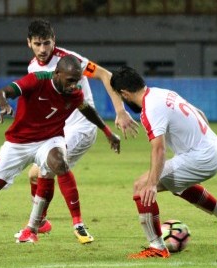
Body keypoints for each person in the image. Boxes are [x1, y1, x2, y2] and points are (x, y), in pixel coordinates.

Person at [0, 55, 121, 246]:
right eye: (70, 81)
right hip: (19, 142)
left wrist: (107, 131)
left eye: (77, 81)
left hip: (49, 139)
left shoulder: (74, 93)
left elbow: (87, 110)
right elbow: (1, 92)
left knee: (59, 163)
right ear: (57, 74)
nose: (73, 86)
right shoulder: (37, 80)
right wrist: (4, 105)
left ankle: (78, 224)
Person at [14, 19, 139, 240]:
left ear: (54, 41)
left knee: (44, 170)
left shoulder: (70, 60)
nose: (43, 49)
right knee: (34, 176)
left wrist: (120, 110)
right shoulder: (33, 67)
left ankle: (37, 228)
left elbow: (104, 75)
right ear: (29, 44)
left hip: (81, 127)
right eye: (37, 44)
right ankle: (41, 222)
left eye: (47, 43)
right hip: (58, 129)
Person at [110, 66, 217, 259]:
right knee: (175, 183)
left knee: (141, 187)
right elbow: (199, 113)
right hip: (215, 148)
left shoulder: (150, 109)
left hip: (202, 157)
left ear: (124, 94)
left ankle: (156, 247)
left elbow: (159, 148)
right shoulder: (162, 93)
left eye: (121, 97)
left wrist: (152, 184)